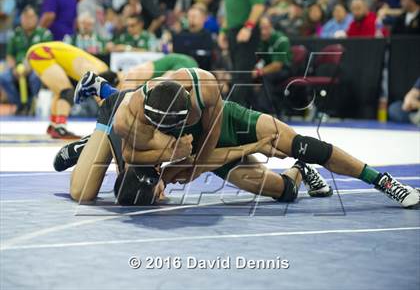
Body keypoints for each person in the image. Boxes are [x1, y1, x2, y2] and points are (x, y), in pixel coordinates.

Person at [68, 68, 419, 208]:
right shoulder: (134, 125)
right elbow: (193, 170)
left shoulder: (203, 87)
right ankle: (300, 172)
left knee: (301, 143)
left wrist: (252, 142)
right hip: (206, 156)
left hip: (224, 128)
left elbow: (207, 150)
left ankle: (384, 181)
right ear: (155, 124)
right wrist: (252, 149)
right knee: (284, 193)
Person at [26, 41, 109, 139]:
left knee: (60, 92)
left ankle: (54, 125)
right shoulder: (100, 68)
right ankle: (60, 128)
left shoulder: (97, 65)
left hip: (39, 52)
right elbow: (100, 96)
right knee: (67, 92)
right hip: (42, 53)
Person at [218, 0, 265, 107]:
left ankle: (234, 110)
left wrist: (248, 27)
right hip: (233, 32)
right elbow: (230, 12)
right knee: (237, 73)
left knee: (241, 74)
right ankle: (257, 111)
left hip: (246, 31)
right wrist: (223, 31)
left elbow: (258, 6)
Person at [0, 6, 52, 114]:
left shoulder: (44, 34)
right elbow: (10, 56)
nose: (28, 20)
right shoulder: (15, 34)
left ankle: (33, 104)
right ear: (21, 19)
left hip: (37, 68)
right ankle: (20, 105)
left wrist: (32, 67)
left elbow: (47, 56)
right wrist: (13, 68)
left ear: (36, 18)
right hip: (17, 68)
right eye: (25, 17)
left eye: (31, 17)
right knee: (4, 77)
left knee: (35, 77)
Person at [252, 17, 292, 114]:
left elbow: (277, 65)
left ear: (271, 27)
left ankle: (264, 111)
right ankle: (248, 109)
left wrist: (258, 72)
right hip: (266, 67)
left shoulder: (281, 40)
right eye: (261, 28)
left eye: (266, 28)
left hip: (283, 69)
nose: (263, 32)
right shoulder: (259, 40)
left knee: (266, 77)